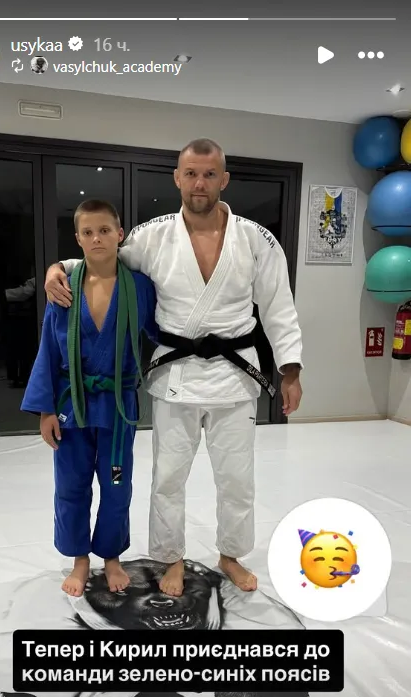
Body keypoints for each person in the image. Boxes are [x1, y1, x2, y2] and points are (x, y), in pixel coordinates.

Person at [44, 139, 303, 598]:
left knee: (237, 478)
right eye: (191, 173)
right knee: (168, 477)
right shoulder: (153, 235)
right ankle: (171, 558)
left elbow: (278, 305)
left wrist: (290, 369)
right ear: (177, 178)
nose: (199, 183)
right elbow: (102, 256)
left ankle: (231, 555)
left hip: (235, 375)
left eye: (209, 174)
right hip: (176, 374)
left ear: (224, 179)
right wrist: (58, 267)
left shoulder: (256, 239)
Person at [22, 199, 158, 597]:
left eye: (104, 230)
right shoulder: (63, 287)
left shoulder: (140, 287)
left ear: (120, 234)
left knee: (116, 484)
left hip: (116, 406)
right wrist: (45, 409)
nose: (96, 238)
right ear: (78, 239)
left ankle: (110, 555)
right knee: (71, 484)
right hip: (72, 405)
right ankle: (80, 558)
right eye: (87, 232)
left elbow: (163, 331)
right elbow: (49, 348)